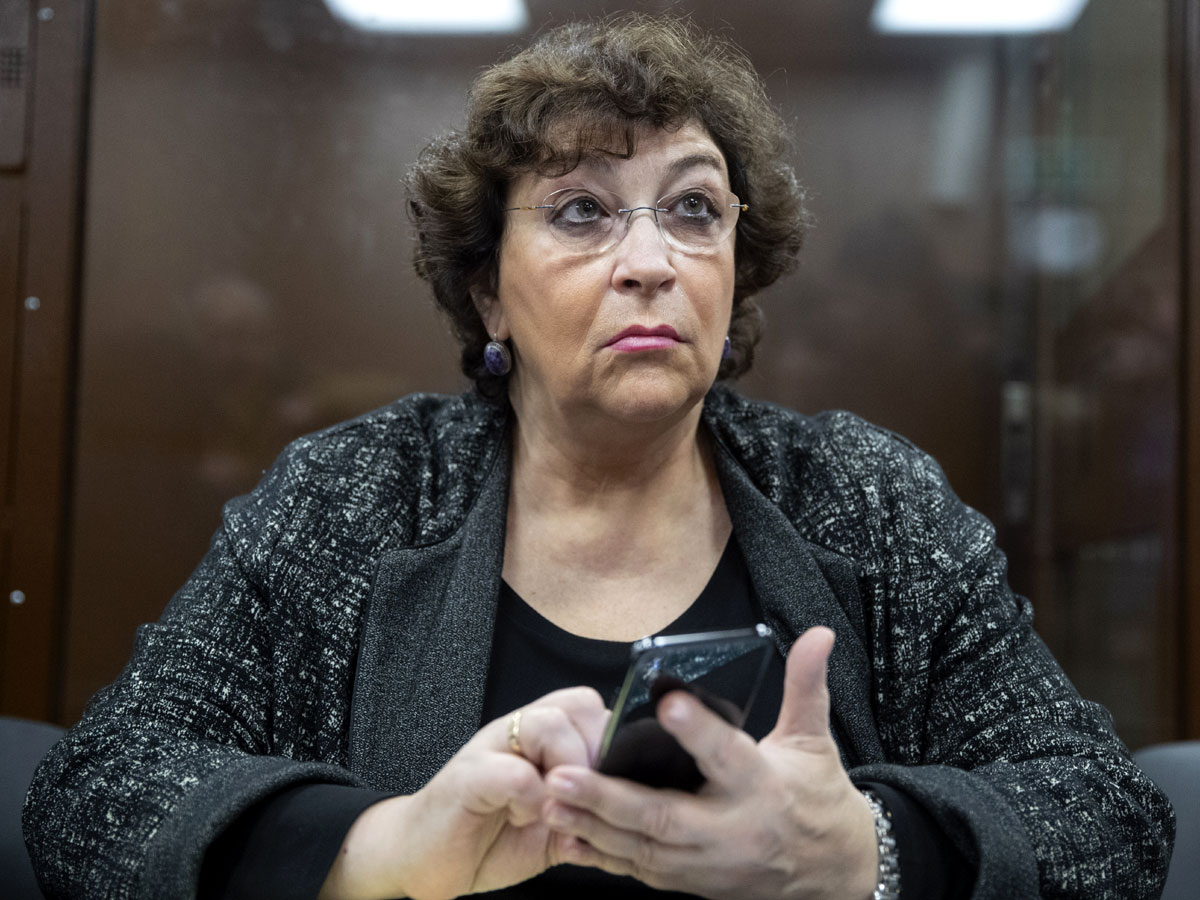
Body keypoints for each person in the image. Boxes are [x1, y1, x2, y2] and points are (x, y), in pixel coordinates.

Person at [24, 14, 1173, 900]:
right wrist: (383, 848)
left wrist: (862, 853)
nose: (652, 262)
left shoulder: (869, 498)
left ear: (736, 264)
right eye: (582, 212)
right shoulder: (353, 494)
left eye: (694, 210)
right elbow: (96, 792)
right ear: (489, 290)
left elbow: (1108, 817)